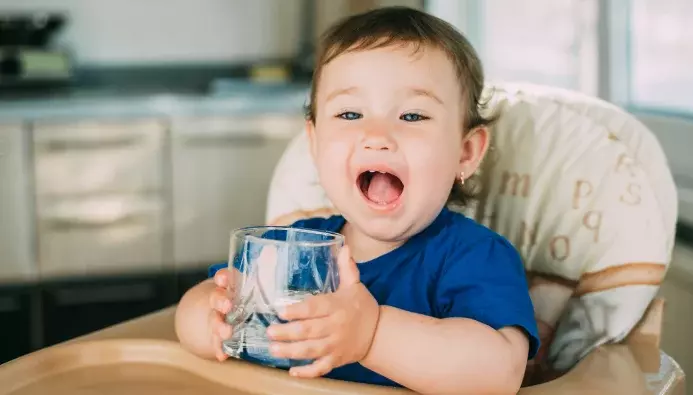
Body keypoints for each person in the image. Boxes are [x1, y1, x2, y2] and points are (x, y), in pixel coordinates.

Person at [175, 6, 539, 394]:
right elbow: (199, 303)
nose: (376, 135)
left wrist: (372, 334)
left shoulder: (474, 257)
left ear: (465, 153)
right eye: (350, 113)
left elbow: (498, 374)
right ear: (314, 144)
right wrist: (210, 318)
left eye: (413, 116)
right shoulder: (295, 250)